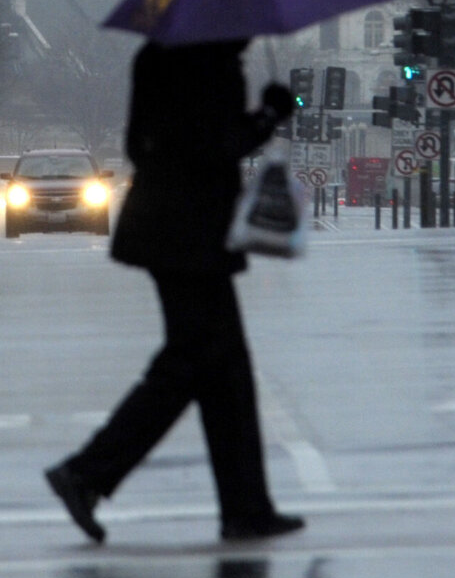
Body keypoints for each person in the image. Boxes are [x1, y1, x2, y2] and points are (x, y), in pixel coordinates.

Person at [44, 39, 305, 544]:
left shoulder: (161, 54)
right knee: (194, 362)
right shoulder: (208, 63)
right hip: (191, 235)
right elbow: (217, 146)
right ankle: (87, 473)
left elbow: (141, 144)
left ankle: (245, 506)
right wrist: (268, 114)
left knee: (222, 371)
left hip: (168, 230)